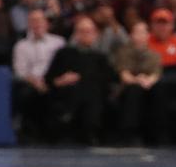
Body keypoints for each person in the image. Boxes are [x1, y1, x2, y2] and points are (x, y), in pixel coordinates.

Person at [45, 16, 115, 145]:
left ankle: (88, 130)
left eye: (88, 31)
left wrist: (84, 80)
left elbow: (108, 79)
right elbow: (49, 78)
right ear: (76, 34)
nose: (85, 35)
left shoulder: (100, 57)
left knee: (90, 92)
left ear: (95, 34)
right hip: (66, 93)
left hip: (94, 96)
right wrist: (61, 80)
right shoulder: (64, 53)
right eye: (81, 31)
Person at [11, 9, 66, 140]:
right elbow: (20, 71)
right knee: (25, 92)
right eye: (33, 21)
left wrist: (52, 81)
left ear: (47, 23)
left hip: (55, 81)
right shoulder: (21, 46)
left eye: (40, 20)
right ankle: (28, 129)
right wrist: (36, 82)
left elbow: (65, 65)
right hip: (31, 82)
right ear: (28, 24)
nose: (37, 24)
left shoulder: (59, 43)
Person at [111, 21, 166, 145]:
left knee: (159, 88)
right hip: (127, 88)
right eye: (137, 32)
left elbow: (156, 74)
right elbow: (124, 75)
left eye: (143, 32)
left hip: (147, 86)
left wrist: (147, 81)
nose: (140, 36)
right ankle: (130, 132)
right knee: (134, 89)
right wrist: (138, 80)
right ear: (131, 35)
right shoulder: (123, 52)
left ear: (148, 35)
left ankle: (157, 133)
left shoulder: (154, 55)